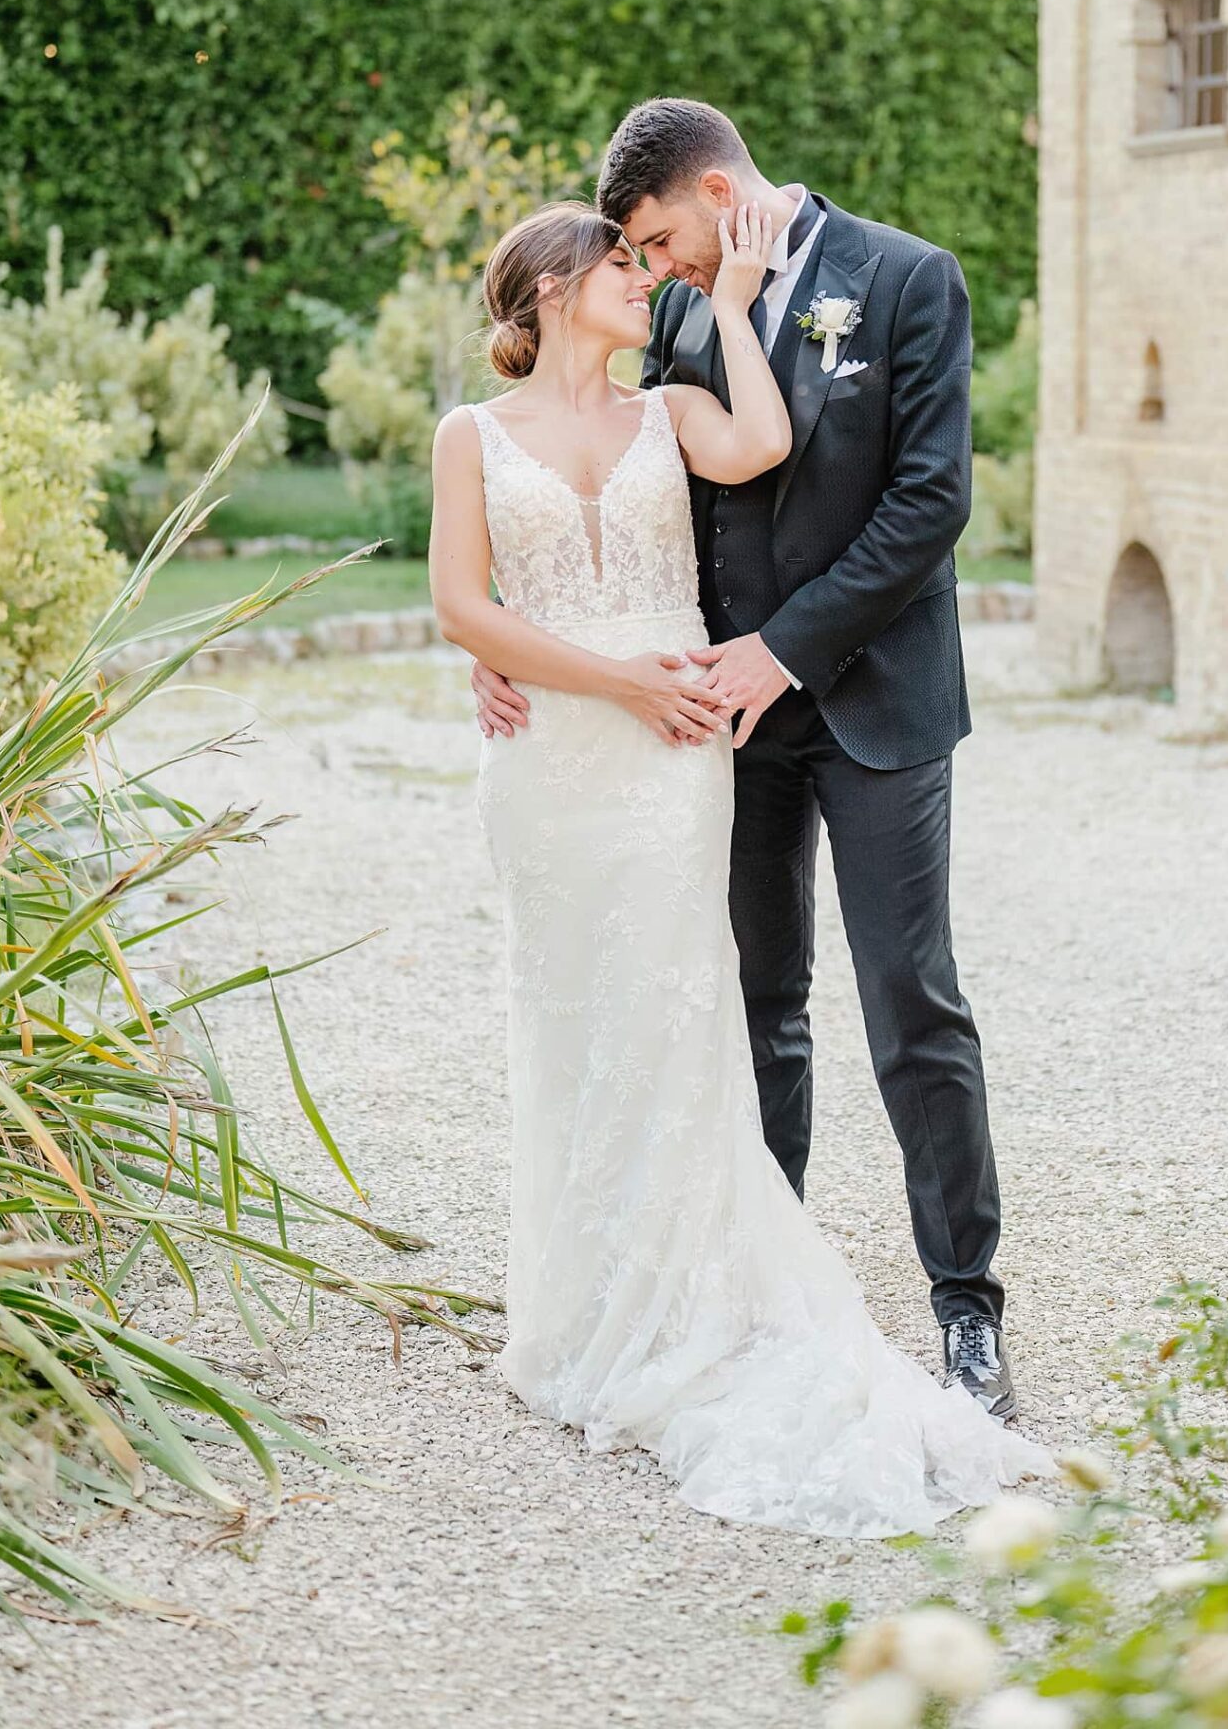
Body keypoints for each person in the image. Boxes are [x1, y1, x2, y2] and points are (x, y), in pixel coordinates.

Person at [433, 194, 1046, 1535]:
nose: (644, 272)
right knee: (661, 1008)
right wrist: (528, 646)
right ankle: (652, 1279)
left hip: (774, 715)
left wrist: (726, 299)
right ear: (549, 291)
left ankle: (960, 1303)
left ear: (695, 206)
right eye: (621, 261)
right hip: (612, 742)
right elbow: (467, 593)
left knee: (889, 1002)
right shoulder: (483, 432)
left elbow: (886, 484)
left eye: (649, 247)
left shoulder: (800, 323)